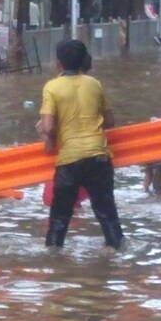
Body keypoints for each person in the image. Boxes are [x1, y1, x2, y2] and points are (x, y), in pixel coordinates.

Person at [37, 39, 123, 250]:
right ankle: (116, 255)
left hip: (70, 160)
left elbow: (48, 127)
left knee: (59, 219)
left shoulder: (52, 87)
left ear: (59, 64)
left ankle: (55, 263)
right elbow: (110, 122)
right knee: (107, 214)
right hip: (99, 157)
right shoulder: (94, 84)